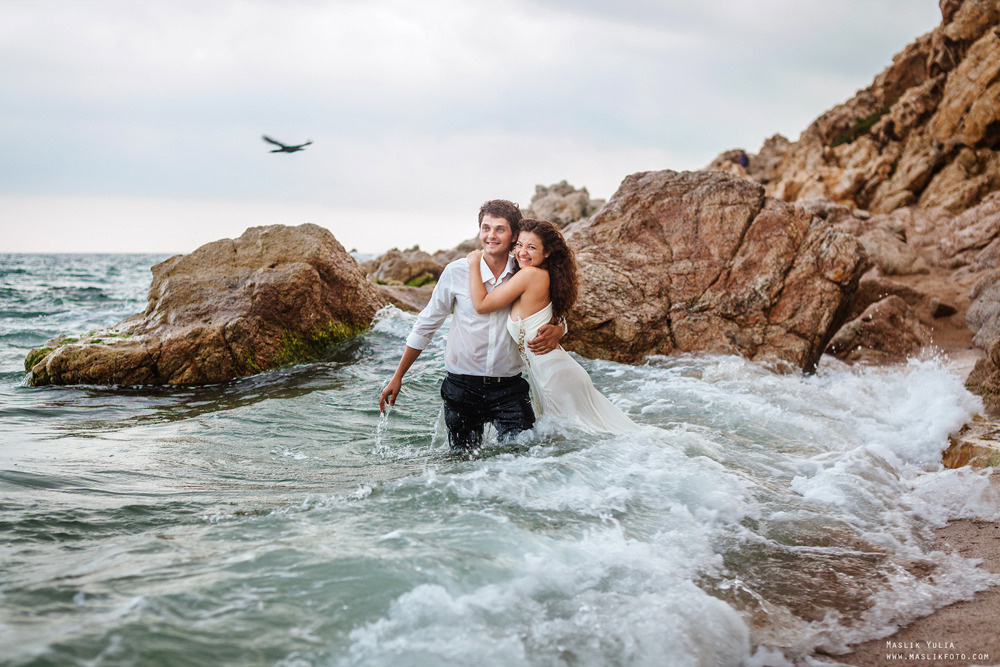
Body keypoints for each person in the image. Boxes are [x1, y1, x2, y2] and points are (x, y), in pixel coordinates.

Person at [379, 200, 564, 451]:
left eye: (500, 229)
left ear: (513, 237)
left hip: (509, 388)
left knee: (524, 464)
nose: (491, 235)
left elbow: (547, 311)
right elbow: (427, 323)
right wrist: (398, 375)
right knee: (462, 470)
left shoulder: (525, 272)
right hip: (461, 388)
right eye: (486, 228)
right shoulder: (456, 272)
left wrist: (560, 328)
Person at [466, 219, 639, 434]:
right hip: (551, 374)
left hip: (555, 377)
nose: (522, 252)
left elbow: (482, 305)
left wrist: (474, 262)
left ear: (546, 252)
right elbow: (549, 316)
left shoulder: (530, 275)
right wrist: (560, 328)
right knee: (590, 439)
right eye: (519, 244)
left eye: (531, 247)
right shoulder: (545, 276)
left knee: (580, 442)